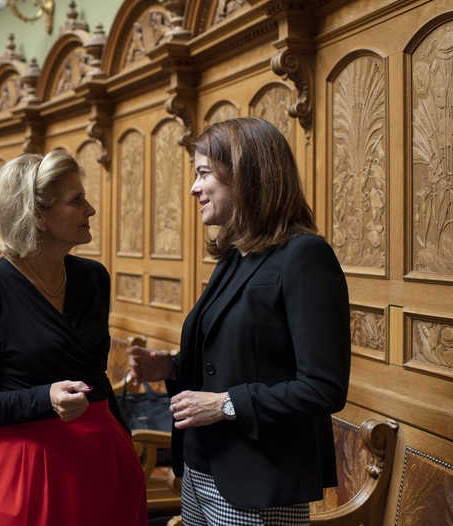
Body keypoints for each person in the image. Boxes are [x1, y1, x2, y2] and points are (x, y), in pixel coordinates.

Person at [129, 117, 351, 524]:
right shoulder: (236, 256)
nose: (195, 188)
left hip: (258, 484)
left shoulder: (305, 256)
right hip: (201, 468)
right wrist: (171, 367)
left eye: (203, 174)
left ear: (245, 175)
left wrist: (226, 404)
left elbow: (323, 388)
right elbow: (235, 356)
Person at [0, 149, 146, 525]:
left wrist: (123, 440)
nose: (91, 210)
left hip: (102, 455)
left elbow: (94, 373)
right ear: (38, 215)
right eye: (76, 200)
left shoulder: (93, 277)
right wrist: (43, 399)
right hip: (26, 461)